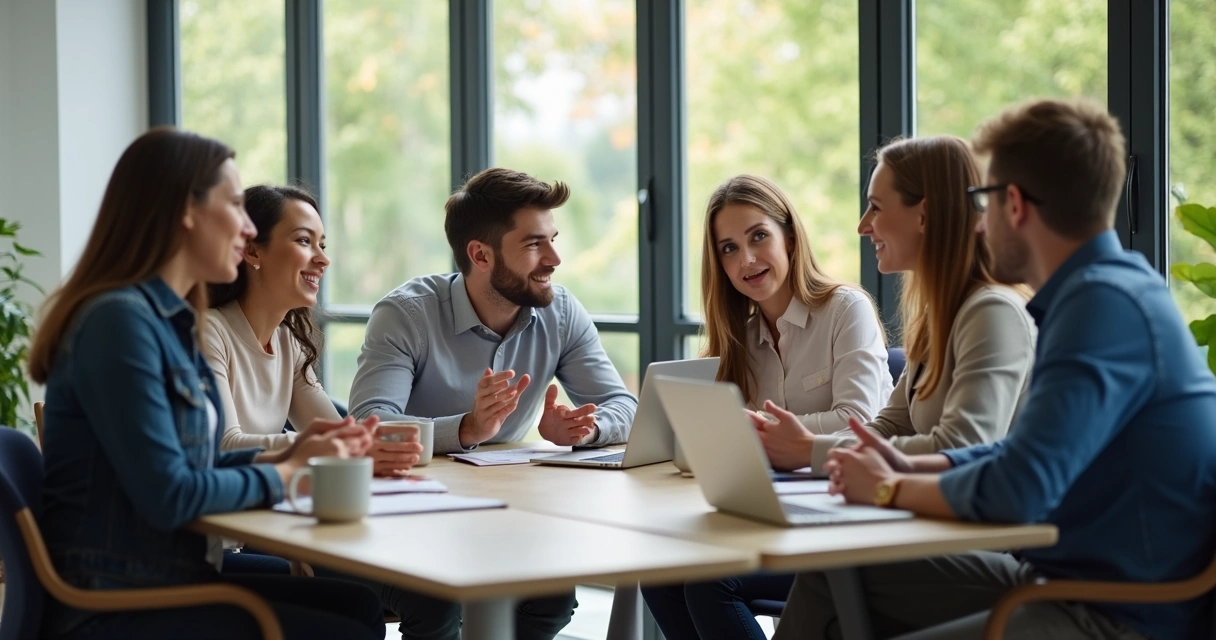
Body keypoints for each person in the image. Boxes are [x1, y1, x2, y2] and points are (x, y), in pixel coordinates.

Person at [777, 99, 1216, 640]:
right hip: (1064, 581)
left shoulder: (1100, 306)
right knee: (834, 567)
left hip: (1109, 613)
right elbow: (1014, 454)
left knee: (839, 579)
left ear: (1013, 205)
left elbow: (1020, 487)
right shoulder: (1106, 292)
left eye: (982, 203)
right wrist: (905, 467)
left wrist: (890, 488)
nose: (976, 223)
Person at [30, 128, 387, 640]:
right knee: (347, 627)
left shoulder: (170, 322)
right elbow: (171, 494)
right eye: (236, 207)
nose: (246, 230)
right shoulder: (120, 323)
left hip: (172, 574)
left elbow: (192, 465)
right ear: (185, 211)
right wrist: (287, 475)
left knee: (354, 603)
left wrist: (289, 456)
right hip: (119, 599)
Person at [348, 167, 638, 639]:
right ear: (480, 255)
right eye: (533, 245)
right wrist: (465, 428)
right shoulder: (406, 314)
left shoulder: (561, 312)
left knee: (552, 597)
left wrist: (586, 428)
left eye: (553, 239)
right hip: (396, 524)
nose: (554, 258)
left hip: (502, 519)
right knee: (438, 604)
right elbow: (369, 425)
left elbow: (623, 405)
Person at [641, 174, 892, 640]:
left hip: (846, 520)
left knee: (711, 579)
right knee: (658, 573)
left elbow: (857, 421)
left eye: (758, 236)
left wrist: (757, 434)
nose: (747, 259)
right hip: (774, 514)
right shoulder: (740, 341)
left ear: (790, 238)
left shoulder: (845, 309)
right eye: (729, 248)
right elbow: (725, 444)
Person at [204, 184, 419, 476]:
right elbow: (224, 445)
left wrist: (362, 444)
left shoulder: (288, 343)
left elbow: (335, 432)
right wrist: (324, 446)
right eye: (305, 241)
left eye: (323, 245)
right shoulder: (209, 332)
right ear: (252, 251)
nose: (323, 259)